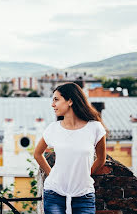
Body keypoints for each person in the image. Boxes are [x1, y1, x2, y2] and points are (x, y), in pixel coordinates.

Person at [34, 82, 106, 214]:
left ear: (70, 101)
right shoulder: (53, 128)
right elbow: (37, 154)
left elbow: (101, 159)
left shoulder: (95, 128)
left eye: (56, 99)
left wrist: (85, 174)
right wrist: (52, 174)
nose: (52, 104)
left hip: (84, 195)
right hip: (54, 194)